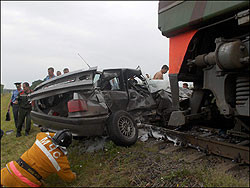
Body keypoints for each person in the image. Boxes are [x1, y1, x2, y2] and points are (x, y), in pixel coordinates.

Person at [1, 129, 76, 187]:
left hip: (9, 172)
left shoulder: (41, 137)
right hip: (26, 183)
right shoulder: (61, 160)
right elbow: (69, 178)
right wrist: (74, 175)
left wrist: (56, 136)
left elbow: (43, 134)